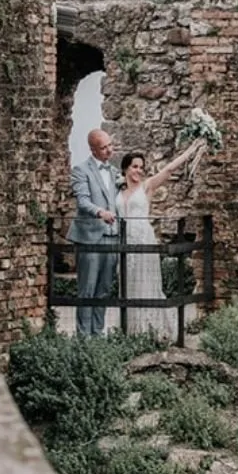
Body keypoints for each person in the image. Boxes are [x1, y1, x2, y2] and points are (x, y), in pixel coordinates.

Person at [117, 139, 206, 339]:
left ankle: (148, 330)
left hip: (142, 235)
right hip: (123, 240)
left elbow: (168, 169)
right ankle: (129, 330)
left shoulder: (147, 187)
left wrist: (191, 149)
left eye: (141, 167)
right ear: (125, 169)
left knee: (145, 282)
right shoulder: (119, 191)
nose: (139, 171)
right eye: (135, 167)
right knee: (127, 283)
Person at [68, 128, 119, 337]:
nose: (109, 151)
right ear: (93, 150)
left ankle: (98, 334)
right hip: (89, 236)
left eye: (110, 145)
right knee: (87, 288)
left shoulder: (115, 173)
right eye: (103, 147)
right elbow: (82, 200)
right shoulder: (80, 171)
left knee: (104, 288)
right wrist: (100, 212)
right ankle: (84, 337)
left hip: (112, 236)